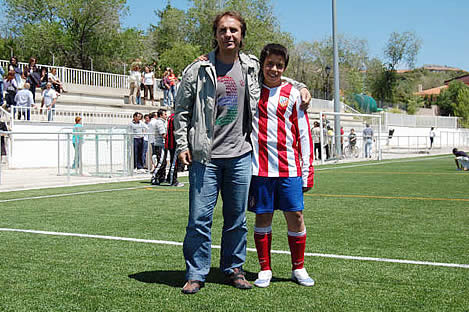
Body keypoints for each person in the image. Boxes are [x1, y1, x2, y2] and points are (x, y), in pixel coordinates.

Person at [174, 10, 311, 295]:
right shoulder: (197, 69)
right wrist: (183, 145)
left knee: (236, 219)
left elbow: (276, 76)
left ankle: (233, 269)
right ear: (215, 34)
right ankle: (196, 273)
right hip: (206, 157)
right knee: (199, 218)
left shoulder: (249, 66)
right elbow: (181, 111)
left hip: (240, 156)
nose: (228, 35)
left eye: (234, 31)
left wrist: (302, 87)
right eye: (223, 30)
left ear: (241, 36)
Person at [249, 43, 315, 288]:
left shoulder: (295, 94)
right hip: (260, 169)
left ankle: (299, 268)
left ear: (285, 68)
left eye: (279, 65)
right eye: (269, 64)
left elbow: (304, 134)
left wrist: (307, 170)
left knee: (296, 217)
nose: (274, 69)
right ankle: (264, 269)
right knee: (263, 217)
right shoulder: (253, 91)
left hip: (290, 169)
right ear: (262, 65)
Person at [165, 112, 183, 187]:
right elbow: (175, 131)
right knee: (174, 163)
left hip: (171, 142)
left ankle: (169, 178)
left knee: (174, 162)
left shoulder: (171, 117)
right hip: (173, 143)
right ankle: (173, 181)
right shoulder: (175, 117)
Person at [150, 109, 167, 185]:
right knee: (160, 162)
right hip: (160, 145)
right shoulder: (159, 122)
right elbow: (163, 134)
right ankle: (154, 177)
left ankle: (161, 177)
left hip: (163, 145)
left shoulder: (163, 122)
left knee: (164, 162)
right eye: (165, 114)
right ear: (161, 115)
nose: (166, 116)